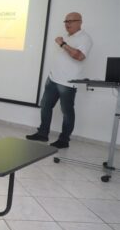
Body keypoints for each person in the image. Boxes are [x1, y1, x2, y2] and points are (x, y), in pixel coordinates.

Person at [26, 12, 92, 148]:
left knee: (67, 112)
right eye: (66, 21)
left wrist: (62, 44)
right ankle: (43, 134)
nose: (67, 24)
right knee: (45, 106)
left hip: (67, 83)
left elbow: (79, 56)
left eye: (71, 21)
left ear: (80, 22)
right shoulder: (68, 36)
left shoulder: (85, 38)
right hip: (53, 79)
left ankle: (64, 140)